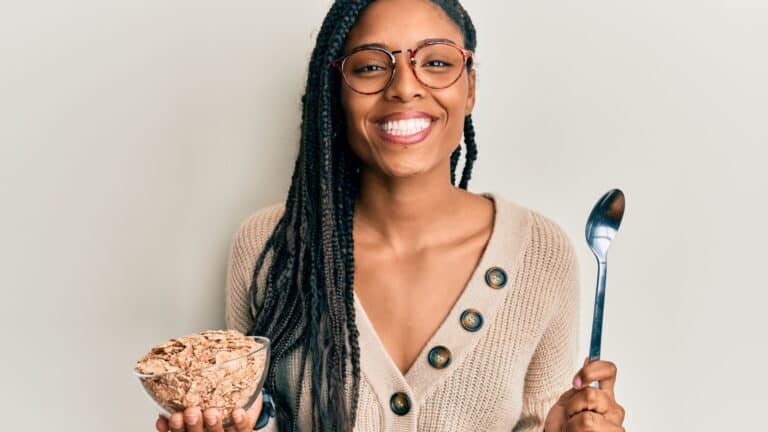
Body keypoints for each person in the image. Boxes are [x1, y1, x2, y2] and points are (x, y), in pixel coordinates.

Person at [155, 0, 626, 431]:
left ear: (471, 88)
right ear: (337, 94)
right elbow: (256, 416)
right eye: (372, 66)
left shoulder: (540, 252)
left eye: (437, 62)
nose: (403, 87)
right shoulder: (269, 244)